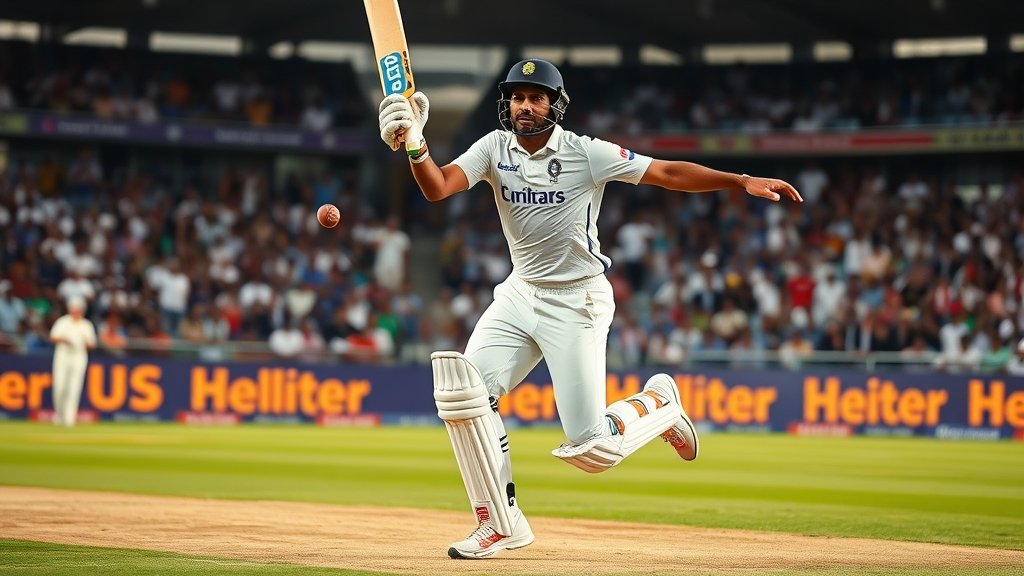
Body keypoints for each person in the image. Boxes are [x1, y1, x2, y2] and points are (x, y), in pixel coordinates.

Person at [377, 59, 802, 559]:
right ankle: (500, 522)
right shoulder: (494, 148)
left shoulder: (587, 153)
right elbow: (437, 187)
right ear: (506, 106)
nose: (525, 106)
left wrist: (740, 180)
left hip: (577, 299)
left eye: (536, 98)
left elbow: (665, 172)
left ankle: (660, 405)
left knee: (591, 449)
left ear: (554, 105)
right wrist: (413, 142)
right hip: (520, 291)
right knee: (464, 394)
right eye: (517, 97)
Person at [49, 296, 97, 427]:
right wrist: (65, 340)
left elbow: (91, 344)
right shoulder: (63, 322)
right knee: (59, 386)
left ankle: (69, 418)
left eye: (78, 309)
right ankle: (59, 415)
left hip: (79, 356)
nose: (76, 312)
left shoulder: (86, 325)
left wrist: (82, 343)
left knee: (74, 388)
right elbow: (53, 337)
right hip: (63, 355)